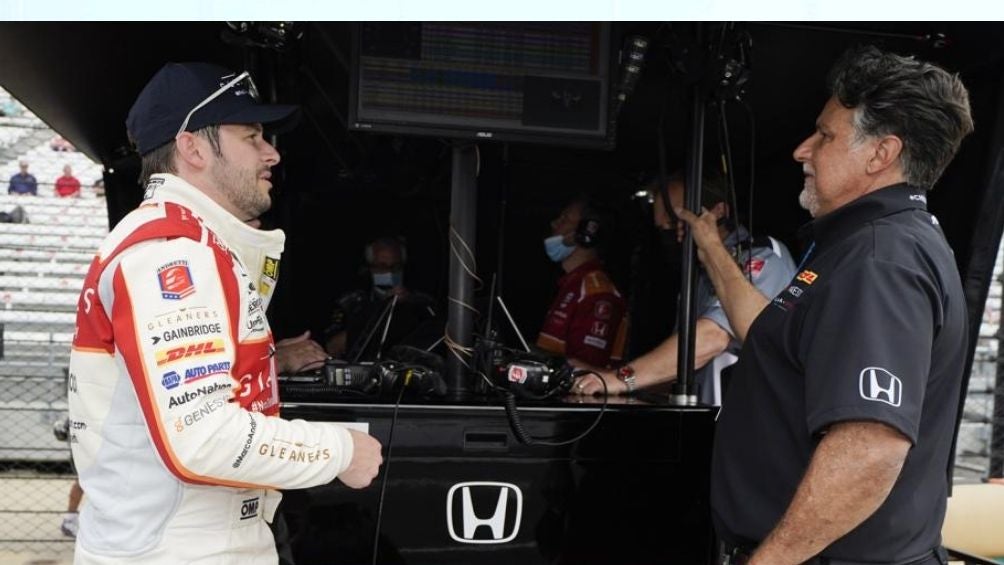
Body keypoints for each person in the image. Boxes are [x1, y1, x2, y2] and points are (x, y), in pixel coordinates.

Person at [68, 62, 383, 564]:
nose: (272, 153)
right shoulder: (173, 254)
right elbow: (201, 437)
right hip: (178, 550)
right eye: (251, 136)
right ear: (193, 148)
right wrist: (339, 450)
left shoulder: (184, 245)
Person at [678, 46, 973, 564]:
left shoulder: (879, 261)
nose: (802, 150)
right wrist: (708, 243)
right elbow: (766, 332)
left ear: (880, 154)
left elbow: (870, 446)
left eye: (825, 135)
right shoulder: (869, 243)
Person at [572, 172, 796, 403]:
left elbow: (713, 337)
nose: (672, 233)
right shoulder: (697, 273)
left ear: (718, 211)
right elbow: (679, 365)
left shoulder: (761, 256)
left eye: (677, 220)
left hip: (757, 423)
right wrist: (597, 377)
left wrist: (622, 378)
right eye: (663, 227)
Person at [537, 195, 628, 368]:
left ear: (587, 232)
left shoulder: (597, 292)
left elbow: (588, 372)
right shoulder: (572, 284)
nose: (554, 223)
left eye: (564, 219)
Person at [324, 236, 440, 361]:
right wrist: (378, 309)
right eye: (382, 267)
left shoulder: (423, 303)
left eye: (396, 267)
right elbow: (332, 347)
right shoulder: (351, 302)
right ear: (370, 268)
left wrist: (410, 304)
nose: (389, 272)